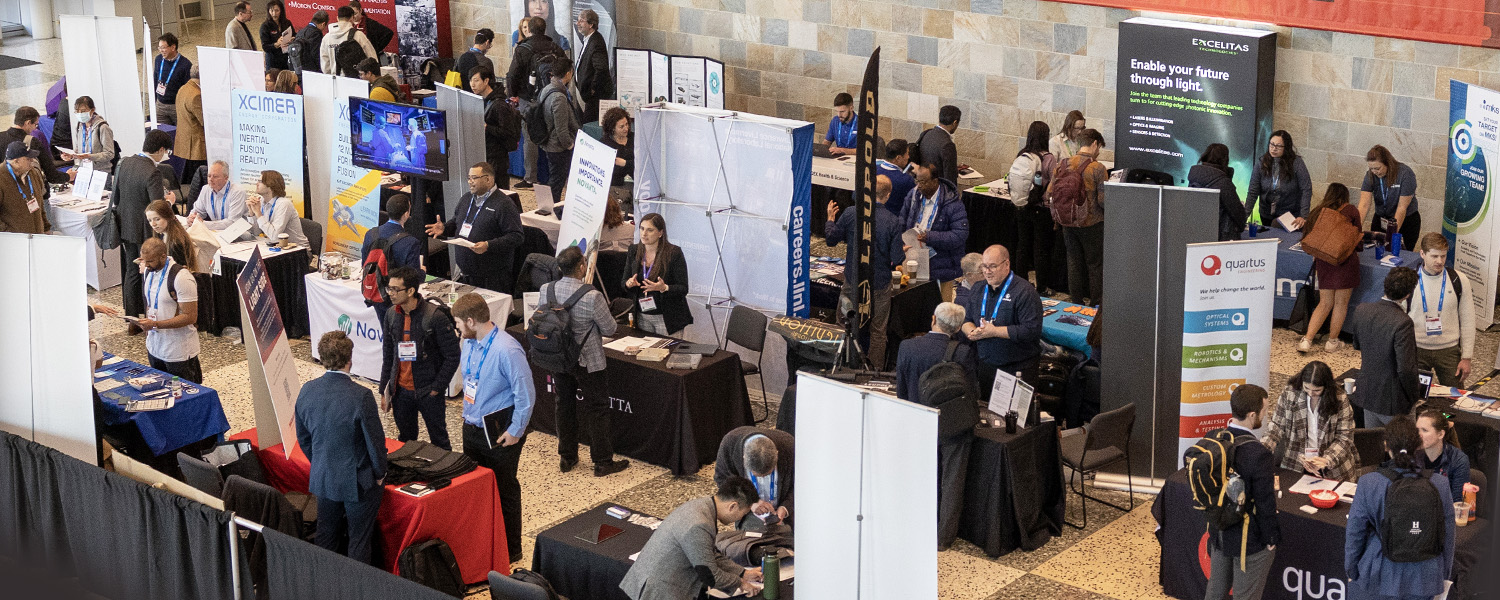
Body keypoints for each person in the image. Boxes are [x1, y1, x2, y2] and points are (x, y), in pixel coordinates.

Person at [452, 292, 534, 562]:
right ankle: (483, 543)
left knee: (504, 489)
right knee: (477, 489)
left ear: (471, 321)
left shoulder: (507, 349)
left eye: (458, 323)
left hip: (500, 434)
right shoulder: (470, 344)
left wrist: (515, 431)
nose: (457, 329)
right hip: (472, 427)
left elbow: (526, 394)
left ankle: (512, 550)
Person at [294, 330, 387, 565]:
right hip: (358, 483)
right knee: (359, 541)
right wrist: (379, 474)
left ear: (322, 357)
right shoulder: (362, 396)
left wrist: (320, 462)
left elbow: (303, 438)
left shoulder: (307, 390)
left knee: (326, 535)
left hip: (324, 477)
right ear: (350, 358)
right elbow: (375, 444)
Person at [1345, 415, 1455, 600]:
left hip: (1377, 574)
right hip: (1424, 577)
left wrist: (1352, 570)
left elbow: (1355, 534)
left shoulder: (1369, 483)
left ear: (1386, 446)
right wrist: (1442, 574)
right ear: (1419, 445)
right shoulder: (1440, 484)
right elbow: (1448, 536)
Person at [543, 246, 630, 477]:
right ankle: (602, 462)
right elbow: (610, 328)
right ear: (582, 267)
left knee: (564, 405)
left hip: (559, 358)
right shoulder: (592, 296)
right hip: (588, 360)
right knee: (597, 409)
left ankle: (567, 456)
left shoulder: (547, 289)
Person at [619, 478, 764, 600]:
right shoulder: (699, 524)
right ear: (733, 506)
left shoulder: (702, 505)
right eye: (743, 514)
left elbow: (709, 554)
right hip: (659, 591)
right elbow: (709, 575)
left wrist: (743, 573)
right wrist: (740, 583)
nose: (741, 518)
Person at [1203, 384, 1279, 600]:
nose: (1265, 416)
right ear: (1252, 414)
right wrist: (1271, 538)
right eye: (1264, 411)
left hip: (1219, 531)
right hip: (1249, 540)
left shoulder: (1213, 438)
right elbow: (1265, 503)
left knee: (1215, 593)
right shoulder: (1258, 454)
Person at [826, 175, 905, 368]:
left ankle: (839, 365)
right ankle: (874, 371)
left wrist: (830, 218)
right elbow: (897, 259)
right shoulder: (893, 222)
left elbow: (831, 240)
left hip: (853, 281)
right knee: (878, 331)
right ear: (887, 195)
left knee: (841, 324)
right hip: (879, 284)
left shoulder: (851, 213)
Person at [378, 266, 461, 451]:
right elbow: (388, 354)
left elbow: (453, 356)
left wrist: (437, 388)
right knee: (406, 441)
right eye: (389, 288)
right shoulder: (391, 315)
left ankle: (444, 477)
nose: (390, 293)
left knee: (439, 441)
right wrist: (384, 389)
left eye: (395, 289)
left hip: (427, 392)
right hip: (400, 393)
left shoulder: (435, 317)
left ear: (411, 291)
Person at [424, 162, 524, 293]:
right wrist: (445, 228)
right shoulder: (466, 198)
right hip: (464, 274)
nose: (470, 182)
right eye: (469, 178)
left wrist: (488, 245)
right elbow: (456, 222)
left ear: (488, 179)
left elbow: (517, 236)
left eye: (474, 178)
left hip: (491, 278)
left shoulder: (504, 204)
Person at [112, 129, 176, 329]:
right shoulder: (152, 172)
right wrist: (170, 202)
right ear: (160, 149)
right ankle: (149, 317)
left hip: (125, 227)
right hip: (146, 230)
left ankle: (132, 320)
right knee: (149, 271)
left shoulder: (125, 162)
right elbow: (157, 206)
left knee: (131, 271)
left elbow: (117, 198)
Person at [961, 245, 1043, 398]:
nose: (987, 271)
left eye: (992, 266)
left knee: (1016, 418)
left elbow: (1031, 330)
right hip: (987, 366)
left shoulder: (1025, 292)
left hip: (1017, 368)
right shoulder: (978, 288)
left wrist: (994, 331)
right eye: (984, 266)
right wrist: (971, 331)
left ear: (1006, 265)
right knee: (989, 415)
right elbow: (966, 319)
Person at [1261, 360, 1357, 480]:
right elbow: (1276, 427)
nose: (1311, 394)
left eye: (1317, 390)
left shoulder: (1339, 398)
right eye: (1307, 388)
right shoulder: (1290, 393)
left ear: (1326, 387)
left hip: (1333, 468)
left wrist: (1326, 459)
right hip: (1296, 462)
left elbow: (1345, 437)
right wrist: (1262, 449)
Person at [1350, 267, 1422, 427]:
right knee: (1403, 449)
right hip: (1394, 402)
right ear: (1407, 295)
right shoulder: (1403, 322)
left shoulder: (1361, 310)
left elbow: (1357, 344)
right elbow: (1406, 369)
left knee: (1374, 446)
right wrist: (1414, 396)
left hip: (1368, 395)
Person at [1297, 184, 1362, 353]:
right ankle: (1332, 342)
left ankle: (1307, 340)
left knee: (1325, 303)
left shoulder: (1318, 211)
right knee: (1341, 304)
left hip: (1324, 261)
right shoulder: (1351, 211)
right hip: (1345, 261)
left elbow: (1307, 238)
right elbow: (1357, 239)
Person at [1406, 233, 1474, 388]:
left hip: (1448, 351)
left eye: (1443, 256)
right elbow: (1397, 318)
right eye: (1434, 256)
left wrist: (1467, 357)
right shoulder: (1409, 279)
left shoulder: (1459, 280)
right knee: (1415, 397)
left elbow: (1468, 320)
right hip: (1416, 349)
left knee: (1454, 398)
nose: (1440, 261)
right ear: (1422, 254)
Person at [507, 16, 565, 190]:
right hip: (552, 96)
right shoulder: (555, 47)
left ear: (529, 30)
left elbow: (512, 75)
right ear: (544, 29)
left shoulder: (523, 49)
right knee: (552, 135)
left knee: (530, 138)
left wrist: (513, 95)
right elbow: (565, 69)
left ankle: (530, 178)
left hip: (529, 98)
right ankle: (554, 176)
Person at [898, 162, 970, 301]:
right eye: (917, 181)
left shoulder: (953, 204)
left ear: (935, 181)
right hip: (914, 256)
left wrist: (931, 237)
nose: (919, 186)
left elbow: (960, 235)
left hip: (941, 262)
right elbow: (902, 220)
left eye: (923, 182)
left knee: (941, 307)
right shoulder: (913, 195)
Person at [1052, 128, 1108, 306]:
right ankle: (1095, 304)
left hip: (1067, 222)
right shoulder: (1098, 168)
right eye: (1099, 147)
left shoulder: (1063, 164)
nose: (1098, 152)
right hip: (1092, 223)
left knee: (1074, 262)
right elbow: (1103, 201)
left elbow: (1049, 193)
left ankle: (1075, 302)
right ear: (1094, 144)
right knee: (1094, 264)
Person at [137, 238, 202, 382]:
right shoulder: (149, 272)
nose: (146, 265)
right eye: (144, 260)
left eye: (150, 261)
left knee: (185, 396)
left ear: (163, 256)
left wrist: (155, 324)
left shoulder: (181, 278)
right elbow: (150, 303)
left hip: (178, 351)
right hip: (155, 347)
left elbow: (190, 316)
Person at [621, 213, 690, 335]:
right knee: (645, 353)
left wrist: (664, 288)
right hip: (642, 316)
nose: (644, 234)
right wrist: (629, 283)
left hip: (667, 317)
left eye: (649, 230)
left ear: (660, 233)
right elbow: (624, 282)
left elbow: (683, 288)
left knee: (667, 353)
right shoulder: (634, 250)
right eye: (642, 228)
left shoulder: (674, 253)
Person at [713, 426, 795, 526]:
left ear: (777, 455)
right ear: (744, 458)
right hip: (748, 510)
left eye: (768, 474)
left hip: (787, 507)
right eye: (757, 475)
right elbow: (722, 479)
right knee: (752, 538)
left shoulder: (790, 447)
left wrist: (786, 507)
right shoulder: (730, 444)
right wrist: (750, 502)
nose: (763, 478)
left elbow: (801, 484)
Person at [896, 302, 974, 403]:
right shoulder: (962, 352)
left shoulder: (906, 346)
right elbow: (970, 391)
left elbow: (901, 389)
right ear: (958, 328)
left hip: (913, 410)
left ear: (933, 319)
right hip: (945, 414)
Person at [1013, 121, 1059, 292]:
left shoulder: (1022, 154)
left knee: (1022, 246)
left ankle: (1020, 284)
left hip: (1022, 206)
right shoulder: (1049, 158)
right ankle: (1041, 287)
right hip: (1041, 208)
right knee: (1041, 248)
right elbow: (1054, 182)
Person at [1246, 130, 1312, 228]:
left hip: (1289, 214)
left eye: (1278, 146)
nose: (1274, 149)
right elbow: (1253, 191)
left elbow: (1306, 189)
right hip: (1266, 213)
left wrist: (1303, 216)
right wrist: (1244, 215)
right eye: (1271, 144)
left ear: (1286, 148)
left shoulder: (1296, 163)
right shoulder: (1261, 162)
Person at [1360, 144, 1420, 251]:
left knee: (1398, 253)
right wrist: (1355, 228)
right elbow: (1364, 204)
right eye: (1371, 168)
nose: (1374, 172)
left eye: (1377, 168)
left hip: (1405, 220)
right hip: (1381, 219)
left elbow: (1402, 208)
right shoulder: (1370, 175)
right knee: (1376, 252)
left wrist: (1391, 235)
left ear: (1387, 163)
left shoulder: (1405, 174)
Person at [471, 67, 521, 189]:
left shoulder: (499, 104)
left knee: (500, 190)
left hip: (498, 157)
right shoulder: (484, 101)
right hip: (487, 153)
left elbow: (508, 131)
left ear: (486, 81)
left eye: (476, 80)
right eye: (471, 80)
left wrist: (487, 128)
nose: (473, 84)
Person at [540, 60, 582, 197]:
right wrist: (570, 145)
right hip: (558, 148)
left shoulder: (547, 89)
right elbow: (561, 129)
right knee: (557, 182)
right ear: (568, 73)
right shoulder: (558, 96)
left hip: (550, 143)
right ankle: (552, 209)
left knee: (555, 179)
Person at [1188, 143, 1245, 241]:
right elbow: (1237, 213)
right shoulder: (1223, 183)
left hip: (1196, 231)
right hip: (1220, 237)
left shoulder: (1194, 176)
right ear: (1225, 159)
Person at [0, 108, 66, 185]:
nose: (35, 128)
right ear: (28, 123)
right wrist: (68, 176)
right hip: (27, 189)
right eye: (35, 124)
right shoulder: (33, 142)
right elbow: (51, 175)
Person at [1416, 409, 1471, 503]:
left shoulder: (1459, 460)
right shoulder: (1412, 455)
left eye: (1424, 430)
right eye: (1417, 430)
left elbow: (1457, 502)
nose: (1418, 435)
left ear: (1440, 434)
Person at [248, 170, 308, 248]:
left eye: (260, 181)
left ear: (270, 186)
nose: (256, 184)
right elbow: (255, 232)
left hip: (298, 251)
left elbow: (275, 237)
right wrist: (251, 212)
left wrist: (259, 214)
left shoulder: (284, 204)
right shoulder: (262, 201)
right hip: (277, 248)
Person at [0, 141, 49, 234]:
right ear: (16, 161)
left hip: (37, 237)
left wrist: (46, 227)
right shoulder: (1, 179)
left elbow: (40, 204)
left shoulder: (32, 173)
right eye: (28, 158)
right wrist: (8, 233)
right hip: (14, 242)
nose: (32, 160)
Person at [573, 10, 612, 122]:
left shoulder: (596, 42)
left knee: (589, 124)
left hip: (595, 97)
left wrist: (593, 89)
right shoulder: (589, 39)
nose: (577, 23)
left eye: (581, 21)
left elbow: (601, 68)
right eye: (578, 20)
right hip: (588, 96)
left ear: (591, 25)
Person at [187, 161, 247, 232]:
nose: (211, 179)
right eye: (209, 176)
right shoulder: (205, 189)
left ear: (226, 178)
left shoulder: (237, 192)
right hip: (216, 231)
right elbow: (197, 211)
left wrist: (203, 223)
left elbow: (232, 222)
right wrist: (192, 219)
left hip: (238, 233)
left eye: (215, 176)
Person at [63, 96, 115, 175]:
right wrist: (71, 156)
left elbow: (109, 154)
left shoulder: (102, 127)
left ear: (92, 110)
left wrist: (89, 156)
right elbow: (78, 150)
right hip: (84, 171)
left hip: (100, 172)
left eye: (83, 111)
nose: (80, 114)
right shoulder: (79, 126)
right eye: (77, 111)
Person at [320, 6, 376, 77]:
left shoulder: (326, 38)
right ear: (352, 18)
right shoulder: (358, 35)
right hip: (356, 80)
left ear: (337, 18)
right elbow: (372, 59)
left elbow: (325, 66)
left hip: (335, 80)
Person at [146, 200, 198, 272]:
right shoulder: (163, 235)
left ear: (168, 217)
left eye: (157, 219)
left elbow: (179, 271)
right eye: (149, 220)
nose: (153, 224)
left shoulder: (176, 242)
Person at [151, 34, 192, 126]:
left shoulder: (185, 64)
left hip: (176, 107)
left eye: (163, 47)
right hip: (160, 105)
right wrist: (154, 101)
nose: (161, 50)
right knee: (162, 134)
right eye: (159, 47)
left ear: (173, 47)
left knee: (180, 135)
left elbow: (188, 90)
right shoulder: (158, 60)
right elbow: (155, 79)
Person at [175, 67, 207, 178]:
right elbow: (204, 121)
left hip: (185, 141)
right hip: (196, 146)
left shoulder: (183, 89)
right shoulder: (196, 95)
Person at [916, 105, 961, 185]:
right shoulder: (948, 145)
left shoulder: (926, 134)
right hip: (938, 188)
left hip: (923, 184)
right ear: (954, 123)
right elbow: (950, 178)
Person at [876, 138, 915, 215]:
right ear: (898, 158)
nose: (908, 157)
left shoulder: (871, 170)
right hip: (895, 220)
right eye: (907, 153)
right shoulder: (906, 180)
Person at [452, 28, 496, 93]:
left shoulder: (461, 57)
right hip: (478, 98)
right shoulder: (485, 61)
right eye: (490, 45)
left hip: (463, 96)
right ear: (487, 43)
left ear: (474, 40)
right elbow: (491, 84)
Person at [601, 107, 634, 188]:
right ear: (612, 128)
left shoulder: (635, 138)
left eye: (627, 124)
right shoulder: (605, 143)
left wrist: (625, 163)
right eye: (621, 126)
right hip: (615, 186)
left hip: (638, 184)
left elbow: (643, 164)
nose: (626, 128)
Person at [259, 0, 295, 70]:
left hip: (286, 58)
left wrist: (292, 39)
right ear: (268, 11)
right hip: (273, 60)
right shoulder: (265, 26)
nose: (274, 14)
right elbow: (265, 47)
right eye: (271, 11)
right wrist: (276, 44)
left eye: (277, 10)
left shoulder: (287, 23)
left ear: (281, 11)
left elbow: (294, 35)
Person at [292, 10, 329, 74]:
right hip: (311, 71)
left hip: (297, 68)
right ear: (323, 24)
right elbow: (316, 54)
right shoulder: (316, 34)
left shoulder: (300, 32)